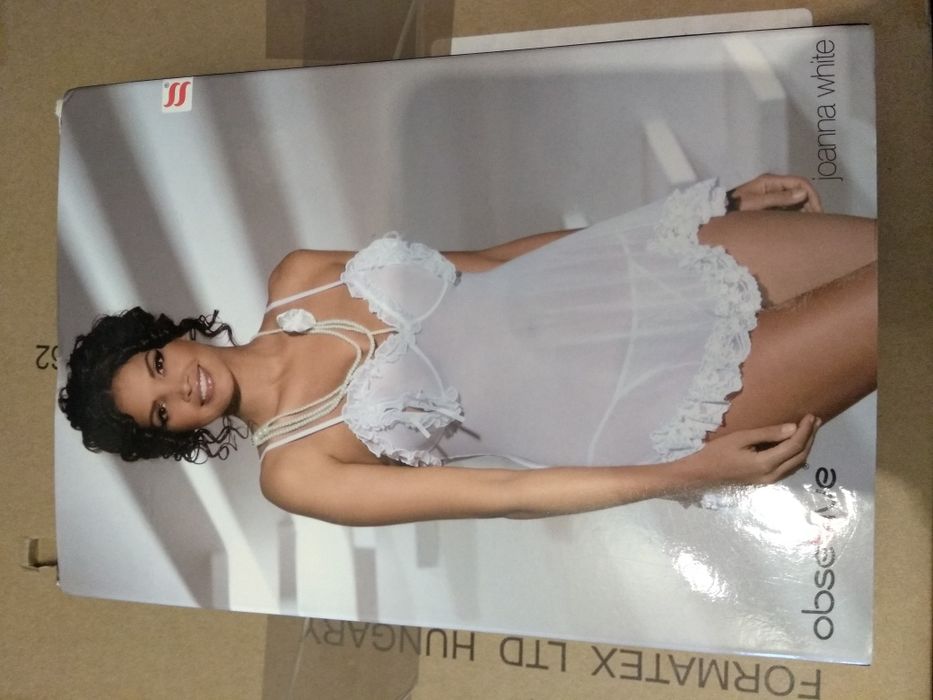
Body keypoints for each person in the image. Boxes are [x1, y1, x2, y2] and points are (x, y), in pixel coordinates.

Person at [59, 175, 877, 525]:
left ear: (170, 337)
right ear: (176, 436)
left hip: (640, 274)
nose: (181, 390)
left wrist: (700, 207)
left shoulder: (300, 275)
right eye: (160, 414)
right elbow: (502, 494)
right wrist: (686, 474)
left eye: (158, 367)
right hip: (648, 403)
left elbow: (497, 264)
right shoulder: (293, 471)